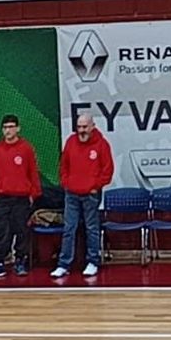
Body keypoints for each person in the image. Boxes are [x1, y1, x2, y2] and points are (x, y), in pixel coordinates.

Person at [54, 113, 114, 279]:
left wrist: (96, 186)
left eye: (85, 127)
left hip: (91, 195)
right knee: (69, 229)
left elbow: (107, 170)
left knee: (92, 229)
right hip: (71, 194)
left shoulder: (102, 145)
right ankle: (63, 264)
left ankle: (93, 262)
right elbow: (64, 166)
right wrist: (66, 183)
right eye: (79, 127)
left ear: (92, 126)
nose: (81, 130)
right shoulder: (71, 142)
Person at [0, 114, 40, 279]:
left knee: (21, 231)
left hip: (21, 198)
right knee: (1, 232)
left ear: (18, 128)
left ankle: (20, 262)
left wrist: (33, 194)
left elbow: (32, 173)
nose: (8, 131)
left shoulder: (26, 149)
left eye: (11, 127)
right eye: (5, 128)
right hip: (2, 198)